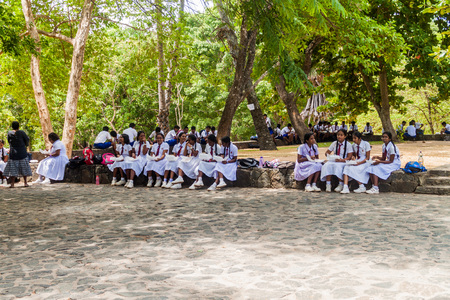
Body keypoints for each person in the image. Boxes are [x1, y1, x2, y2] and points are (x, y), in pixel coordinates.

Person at [3, 121, 32, 188]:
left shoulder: (9, 133)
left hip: (13, 153)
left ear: (12, 126)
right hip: (22, 153)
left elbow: (9, 141)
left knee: (13, 169)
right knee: (24, 168)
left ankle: (12, 184)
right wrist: (24, 145)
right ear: (18, 126)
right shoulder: (21, 132)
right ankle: (25, 183)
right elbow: (27, 140)